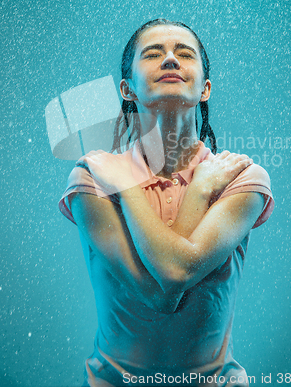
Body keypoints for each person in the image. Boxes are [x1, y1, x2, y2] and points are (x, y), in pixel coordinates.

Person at [59, 19, 274, 387]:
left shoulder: (241, 176)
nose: (171, 60)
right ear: (127, 89)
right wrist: (133, 185)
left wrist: (135, 188)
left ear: (205, 88)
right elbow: (159, 293)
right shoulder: (93, 176)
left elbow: (173, 277)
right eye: (154, 54)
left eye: (184, 54)